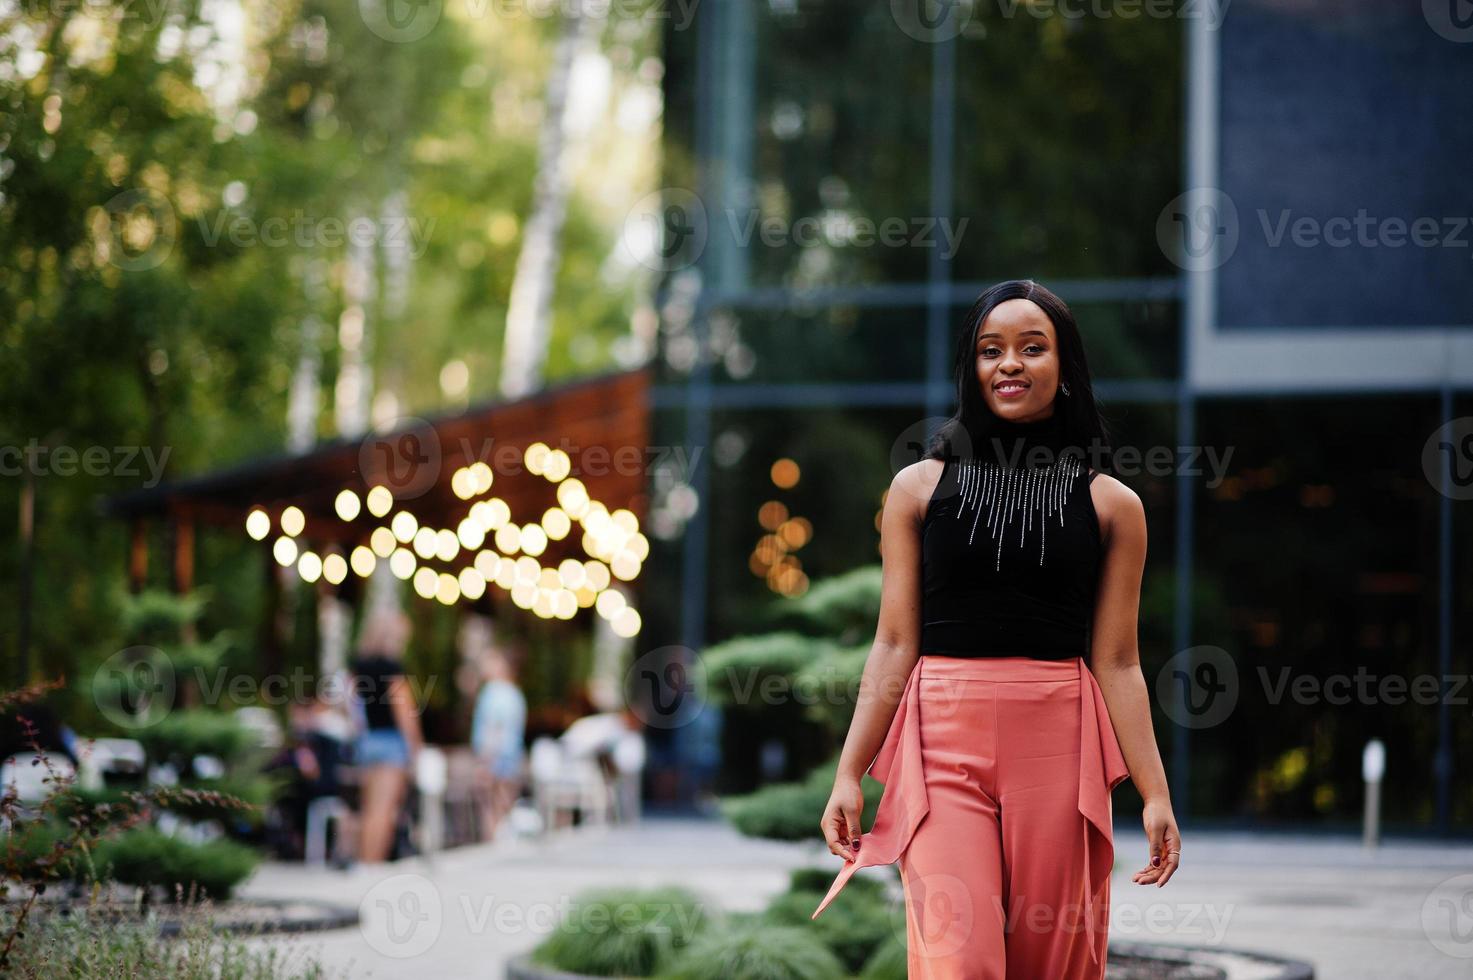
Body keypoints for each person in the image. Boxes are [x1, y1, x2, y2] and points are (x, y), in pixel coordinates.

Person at [812, 279, 1182, 978]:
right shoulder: (916, 489)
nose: (1008, 363)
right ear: (971, 369)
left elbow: (1119, 662)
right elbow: (894, 643)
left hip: (1058, 742)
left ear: (1064, 367)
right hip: (939, 741)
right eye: (990, 350)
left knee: (1050, 960)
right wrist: (849, 772)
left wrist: (1154, 792)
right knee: (959, 958)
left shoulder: (1114, 506)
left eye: (1030, 348)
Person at [348, 606, 424, 864]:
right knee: (385, 811)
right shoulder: (393, 668)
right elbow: (405, 712)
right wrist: (417, 747)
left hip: (368, 741)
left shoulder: (359, 666)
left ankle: (363, 861)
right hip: (391, 743)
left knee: (369, 810)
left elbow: (350, 707)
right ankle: (373, 865)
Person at [469, 643, 526, 842]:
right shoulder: (515, 693)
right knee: (504, 804)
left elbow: (494, 728)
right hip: (510, 756)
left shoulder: (493, 692)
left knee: (489, 806)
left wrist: (485, 760)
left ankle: (492, 843)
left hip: (494, 756)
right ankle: (503, 842)